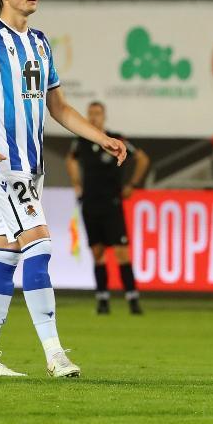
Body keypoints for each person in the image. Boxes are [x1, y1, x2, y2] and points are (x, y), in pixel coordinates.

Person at [0, 0, 127, 377]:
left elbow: (59, 107)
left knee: (6, 253)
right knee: (41, 243)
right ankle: (55, 354)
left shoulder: (41, 43)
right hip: (0, 162)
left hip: (31, 167)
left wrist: (98, 136)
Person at [66, 101, 149, 316]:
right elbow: (71, 160)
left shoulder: (115, 139)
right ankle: (102, 300)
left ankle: (132, 298)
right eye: (91, 114)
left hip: (112, 203)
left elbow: (141, 158)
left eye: (98, 114)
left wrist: (133, 184)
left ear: (104, 117)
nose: (94, 118)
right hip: (90, 203)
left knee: (122, 252)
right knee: (98, 252)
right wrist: (76, 183)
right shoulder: (80, 142)